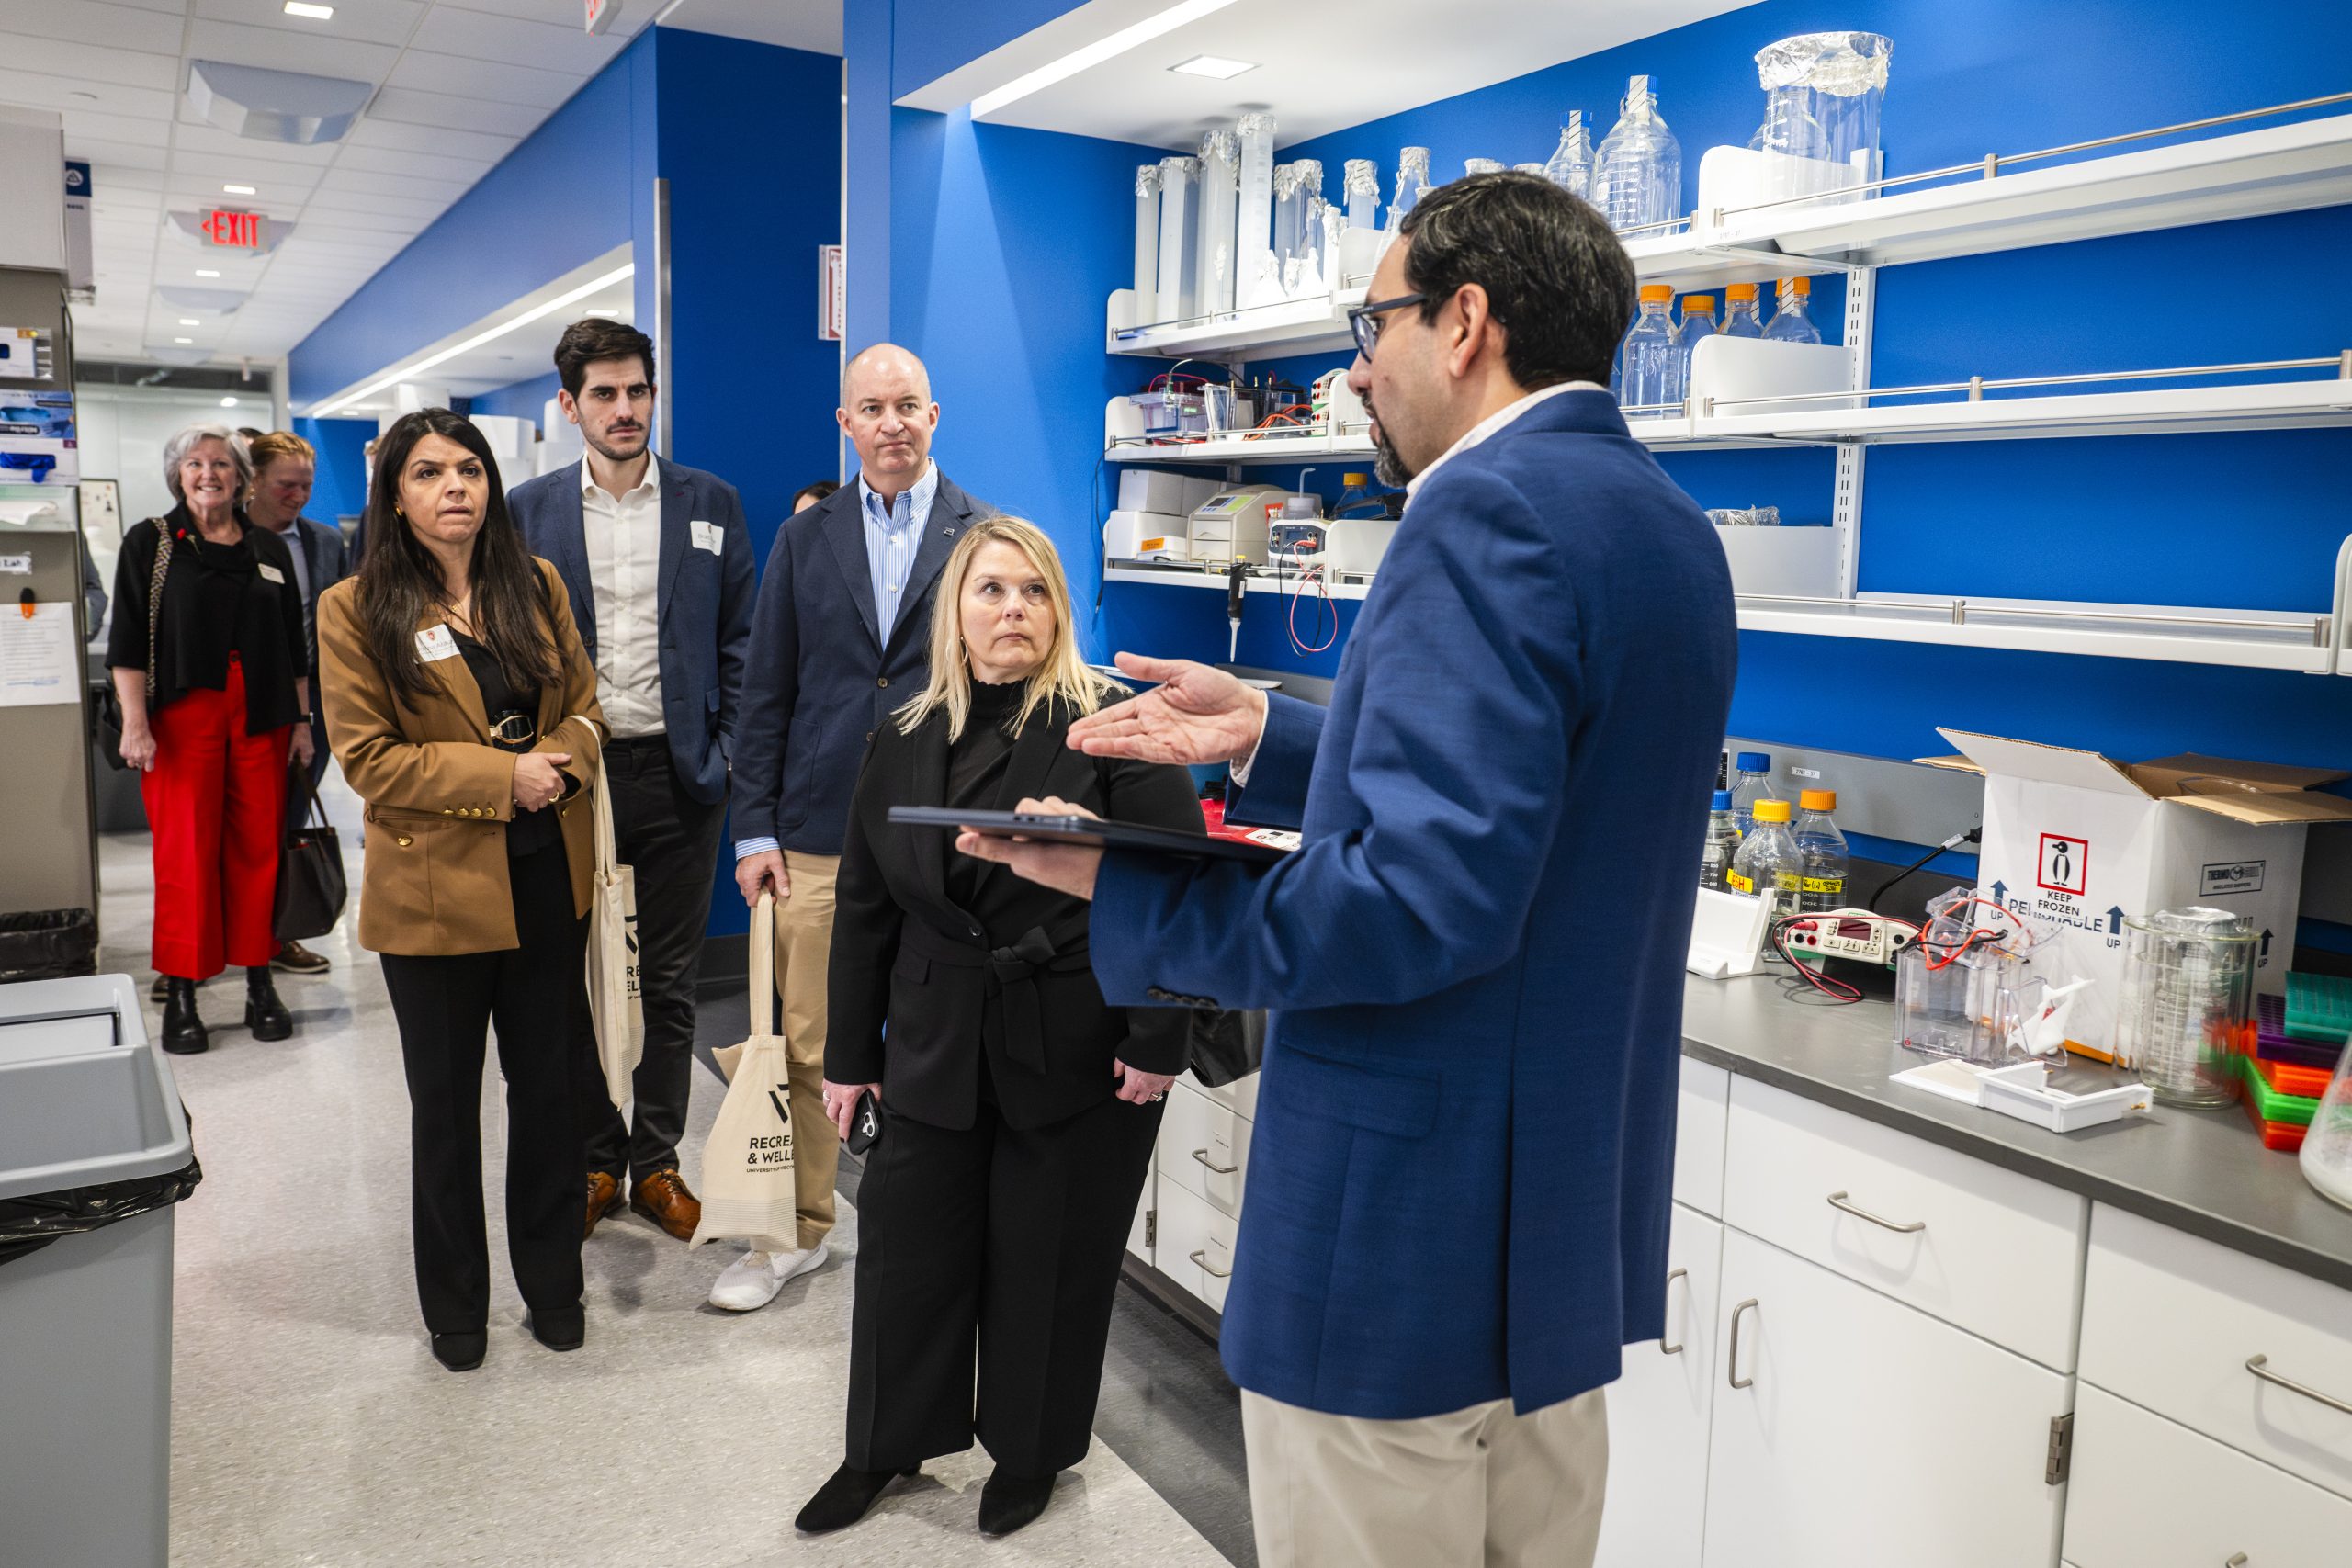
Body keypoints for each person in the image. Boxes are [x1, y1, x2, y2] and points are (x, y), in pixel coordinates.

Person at [963, 174, 1739, 1567]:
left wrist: (1120, 884)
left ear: (1467, 322)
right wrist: (1269, 725)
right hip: (1549, 1245)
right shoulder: (1666, 528)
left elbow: (1414, 904)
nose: (1357, 362)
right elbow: (1522, 808)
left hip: (1403, 1248)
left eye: (1371, 320)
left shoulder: (1478, 511)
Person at [796, 517, 1202, 1540]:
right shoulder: (901, 729)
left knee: (1049, 1258)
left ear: (1058, 608)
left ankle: (1030, 1454)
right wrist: (851, 1058)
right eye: (989, 590)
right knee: (906, 1250)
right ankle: (884, 1446)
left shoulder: (1112, 723)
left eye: (1031, 591)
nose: (1010, 608)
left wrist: (1157, 1042)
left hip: (1076, 1031)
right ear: (956, 609)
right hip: (933, 1029)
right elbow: (866, 905)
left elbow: (1175, 887)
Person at [317, 409, 607, 1373]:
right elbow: (370, 760)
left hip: (544, 882)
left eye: (470, 470)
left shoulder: (535, 584)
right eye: (429, 472)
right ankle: (455, 1307)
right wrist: (504, 779)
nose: (455, 487)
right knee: (445, 1111)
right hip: (437, 896)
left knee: (551, 1098)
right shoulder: (354, 609)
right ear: (394, 494)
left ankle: (553, 1282)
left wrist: (563, 756)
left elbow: (586, 708)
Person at [714, 344, 995, 1313]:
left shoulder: (982, 536)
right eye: (871, 407)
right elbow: (765, 695)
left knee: (942, 1042)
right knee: (807, 1042)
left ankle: (936, 1232)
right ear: (845, 424)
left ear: (934, 415)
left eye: (908, 405)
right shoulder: (804, 539)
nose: (891, 423)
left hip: (942, 828)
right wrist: (753, 830)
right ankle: (794, 1234)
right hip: (819, 833)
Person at [509, 318, 756, 1247]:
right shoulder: (525, 511)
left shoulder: (710, 501)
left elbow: (742, 638)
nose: (624, 409)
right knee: (569, 977)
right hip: (568, 776)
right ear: (569, 405)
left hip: (678, 772)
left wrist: (727, 750)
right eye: (604, 394)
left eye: (637, 390)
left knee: (671, 979)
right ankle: (593, 1159)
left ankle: (654, 1162)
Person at [108, 425, 308, 1055]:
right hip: (181, 717)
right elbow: (127, 641)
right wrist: (134, 722)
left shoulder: (268, 548)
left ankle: (258, 980)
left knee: (258, 850)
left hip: (263, 716)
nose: (208, 473)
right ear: (177, 473)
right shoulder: (152, 541)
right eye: (194, 463)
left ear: (240, 475)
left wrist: (302, 722)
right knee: (186, 853)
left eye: (221, 462)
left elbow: (294, 648)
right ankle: (185, 988)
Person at [244, 429, 351, 976]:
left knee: (289, 821)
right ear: (255, 480)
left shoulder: (326, 543)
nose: (299, 496)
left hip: (316, 708)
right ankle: (217, 941)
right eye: (287, 485)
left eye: (307, 486)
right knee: (235, 828)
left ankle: (277, 935)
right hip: (244, 710)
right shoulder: (226, 540)